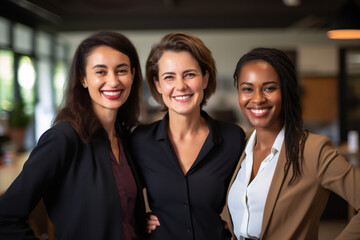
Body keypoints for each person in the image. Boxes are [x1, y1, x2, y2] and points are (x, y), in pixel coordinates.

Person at [0, 31, 146, 240]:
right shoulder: (63, 138)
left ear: (132, 75)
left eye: (121, 70)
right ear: (83, 79)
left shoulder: (126, 138)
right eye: (100, 72)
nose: (113, 81)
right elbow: (5, 217)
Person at [224, 47, 360, 239]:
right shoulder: (237, 145)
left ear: (286, 91)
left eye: (269, 88)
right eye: (247, 89)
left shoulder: (313, 150)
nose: (257, 99)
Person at [130, 32, 246, 240]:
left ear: (205, 78)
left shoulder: (232, 138)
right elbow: (121, 193)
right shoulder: (140, 141)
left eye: (190, 74)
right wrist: (136, 218)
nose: (181, 86)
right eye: (169, 77)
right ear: (157, 85)